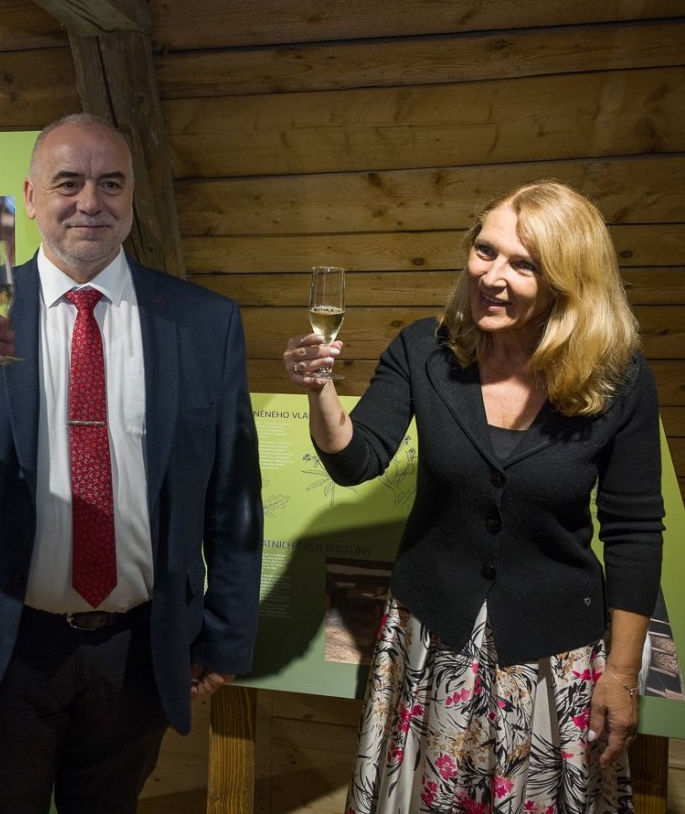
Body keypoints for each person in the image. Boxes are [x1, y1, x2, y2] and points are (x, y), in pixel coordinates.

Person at [0, 113, 263, 813]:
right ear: (31, 197)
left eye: (112, 184)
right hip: (4, 642)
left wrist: (226, 636)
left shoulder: (203, 323)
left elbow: (234, 498)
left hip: (137, 651)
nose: (90, 202)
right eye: (69, 183)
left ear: (132, 196)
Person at [283, 180, 663, 813]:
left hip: (553, 654)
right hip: (434, 640)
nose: (492, 276)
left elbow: (635, 530)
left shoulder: (617, 376)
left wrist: (621, 676)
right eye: (485, 251)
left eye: (523, 264)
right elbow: (355, 461)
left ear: (569, 281)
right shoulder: (425, 350)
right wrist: (320, 389)